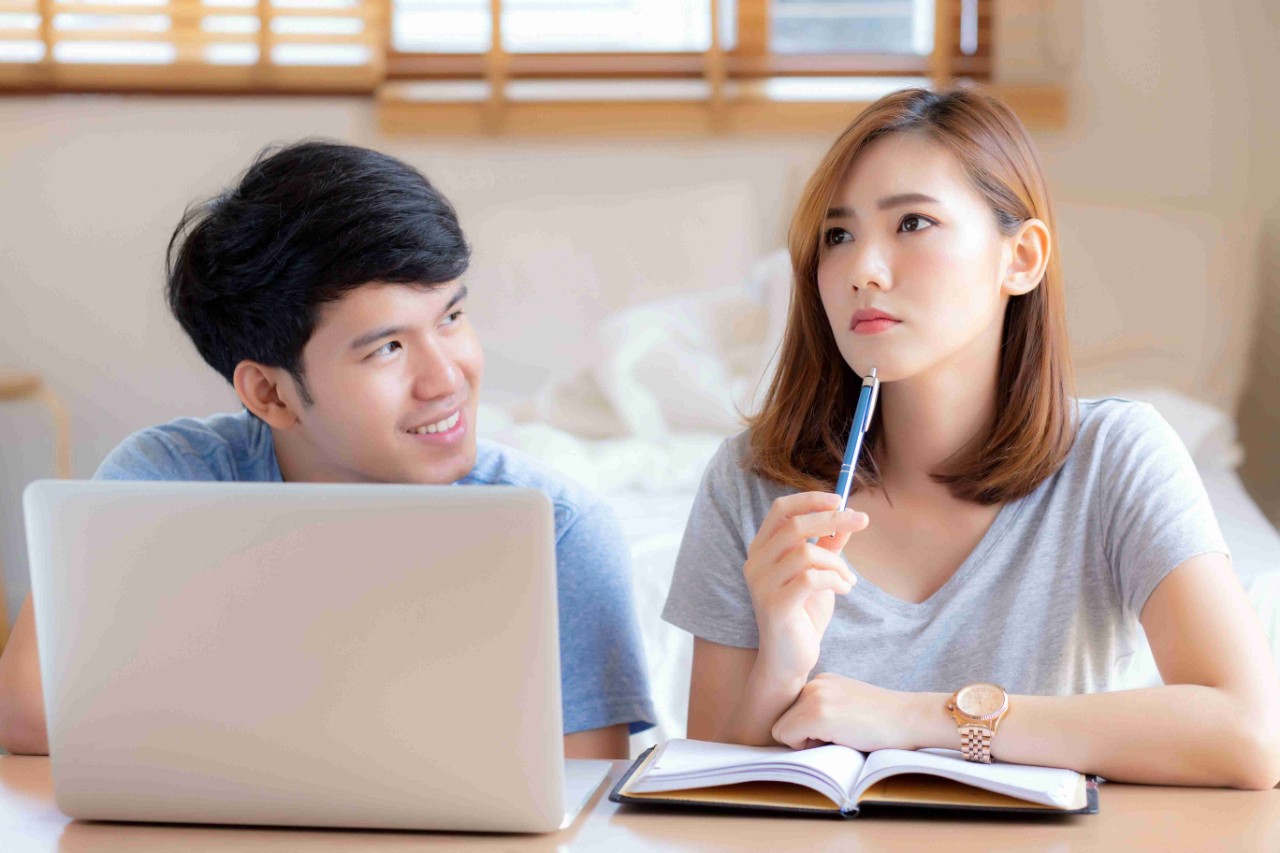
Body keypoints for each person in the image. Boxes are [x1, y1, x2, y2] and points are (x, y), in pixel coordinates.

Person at [663, 87, 1280, 789]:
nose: (862, 268)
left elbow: (1250, 736)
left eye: (913, 223)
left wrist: (918, 717)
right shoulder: (752, 480)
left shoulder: (1115, 457)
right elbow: (707, 796)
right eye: (838, 236)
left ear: (1021, 258)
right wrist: (781, 661)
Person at [0, 141, 655, 758]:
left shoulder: (557, 527)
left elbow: (584, 802)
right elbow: (26, 710)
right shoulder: (168, 480)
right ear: (270, 393)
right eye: (387, 348)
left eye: (451, 318)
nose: (447, 378)